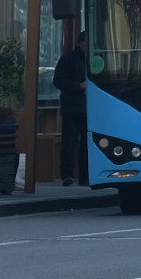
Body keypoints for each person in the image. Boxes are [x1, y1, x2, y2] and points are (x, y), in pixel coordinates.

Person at [53, 33, 89, 186]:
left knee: (87, 145)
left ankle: (85, 176)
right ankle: (67, 174)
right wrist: (78, 86)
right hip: (71, 107)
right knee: (69, 143)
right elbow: (58, 81)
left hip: (88, 109)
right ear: (81, 43)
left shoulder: (93, 60)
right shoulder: (68, 59)